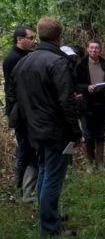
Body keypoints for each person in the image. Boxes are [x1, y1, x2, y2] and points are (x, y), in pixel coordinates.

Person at [12, 16, 82, 236]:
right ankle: (49, 227)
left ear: (39, 35)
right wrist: (75, 131)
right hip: (54, 131)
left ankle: (48, 216)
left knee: (44, 172)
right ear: (59, 36)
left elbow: (17, 99)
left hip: (33, 129)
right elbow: (66, 102)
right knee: (52, 176)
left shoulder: (23, 62)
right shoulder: (57, 62)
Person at [2, 26, 37, 202]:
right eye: (30, 38)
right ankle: (21, 188)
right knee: (24, 148)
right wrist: (18, 110)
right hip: (19, 111)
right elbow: (12, 89)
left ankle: (26, 187)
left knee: (28, 147)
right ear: (19, 39)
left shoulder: (26, 56)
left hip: (27, 110)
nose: (33, 41)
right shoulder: (12, 59)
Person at [75, 39, 105, 169]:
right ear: (87, 49)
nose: (94, 50)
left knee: (100, 134)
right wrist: (86, 88)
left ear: (100, 50)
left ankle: (100, 163)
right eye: (91, 48)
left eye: (97, 48)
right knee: (87, 135)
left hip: (101, 104)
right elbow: (75, 84)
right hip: (86, 105)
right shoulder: (80, 65)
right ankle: (89, 164)